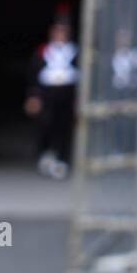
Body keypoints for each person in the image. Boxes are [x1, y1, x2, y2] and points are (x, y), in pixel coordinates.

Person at [24, 19, 79, 180]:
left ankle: (62, 159)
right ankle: (45, 155)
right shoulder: (43, 51)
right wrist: (33, 96)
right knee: (45, 125)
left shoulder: (75, 51)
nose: (60, 35)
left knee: (64, 127)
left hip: (67, 94)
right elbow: (33, 74)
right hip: (47, 94)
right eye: (57, 31)